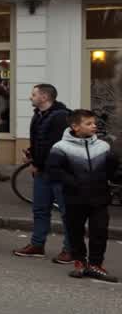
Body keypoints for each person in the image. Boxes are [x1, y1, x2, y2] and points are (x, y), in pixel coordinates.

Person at [45, 109, 118, 283]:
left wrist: (112, 170)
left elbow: (110, 171)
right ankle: (80, 263)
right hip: (74, 198)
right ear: (75, 126)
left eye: (94, 123)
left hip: (99, 197)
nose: (94, 126)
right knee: (75, 232)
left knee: (99, 231)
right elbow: (54, 171)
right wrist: (75, 182)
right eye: (89, 123)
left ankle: (95, 265)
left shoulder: (103, 146)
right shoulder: (60, 148)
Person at [14, 84, 72, 261]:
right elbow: (39, 140)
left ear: (44, 97)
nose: (30, 97)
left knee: (67, 212)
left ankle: (71, 249)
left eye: (33, 95)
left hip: (59, 173)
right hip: (41, 171)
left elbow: (53, 146)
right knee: (40, 210)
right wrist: (31, 154)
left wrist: (36, 163)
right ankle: (37, 245)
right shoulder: (38, 114)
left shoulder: (62, 116)